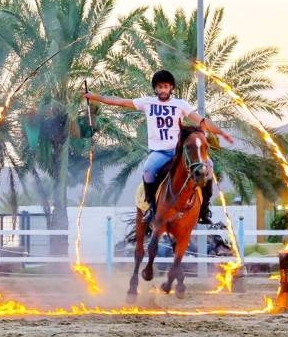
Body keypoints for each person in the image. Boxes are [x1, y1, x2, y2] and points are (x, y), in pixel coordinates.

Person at [84, 70, 233, 224]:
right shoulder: (147, 103)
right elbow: (120, 101)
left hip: (180, 152)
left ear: (171, 88)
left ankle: (204, 210)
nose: (163, 90)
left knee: (209, 165)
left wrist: (222, 133)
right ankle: (152, 208)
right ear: (155, 88)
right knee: (148, 170)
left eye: (166, 87)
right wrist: (94, 96)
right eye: (160, 87)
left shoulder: (180, 104)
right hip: (159, 152)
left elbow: (201, 121)